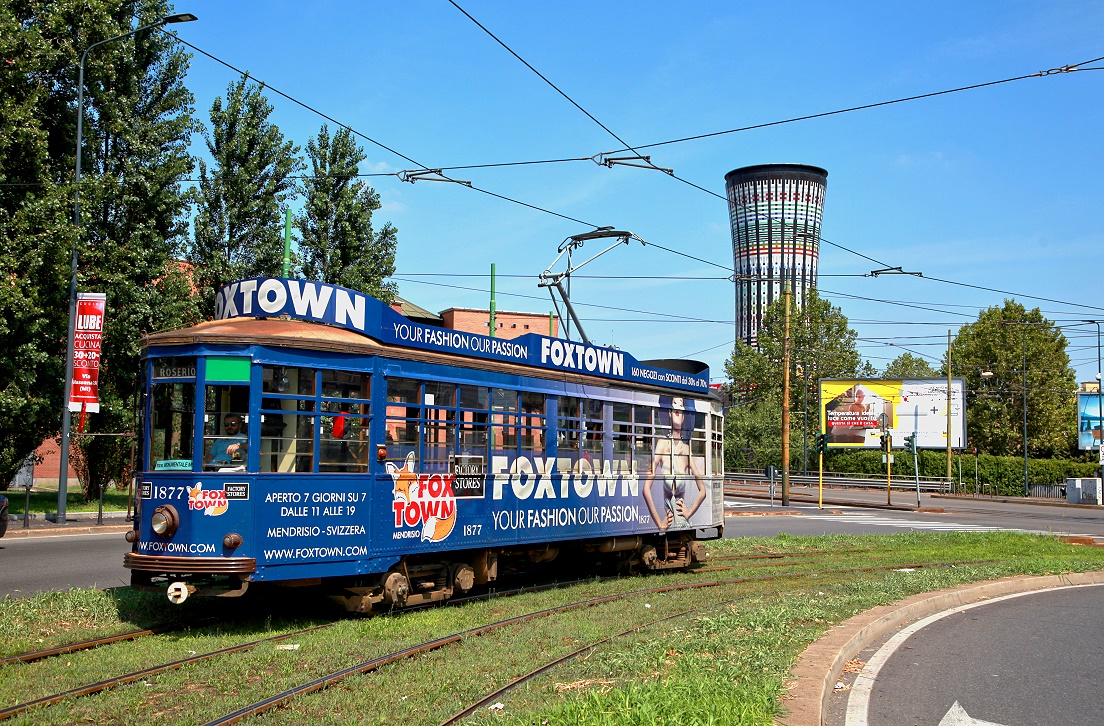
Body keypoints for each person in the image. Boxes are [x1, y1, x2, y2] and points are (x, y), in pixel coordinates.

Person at [642, 397, 707, 531]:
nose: (678, 408)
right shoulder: (662, 445)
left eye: (681, 405)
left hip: (683, 525)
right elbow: (646, 489)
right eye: (674, 404)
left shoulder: (686, 450)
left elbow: (703, 491)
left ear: (683, 416)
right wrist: (659, 523)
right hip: (668, 527)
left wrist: (688, 512)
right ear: (670, 413)